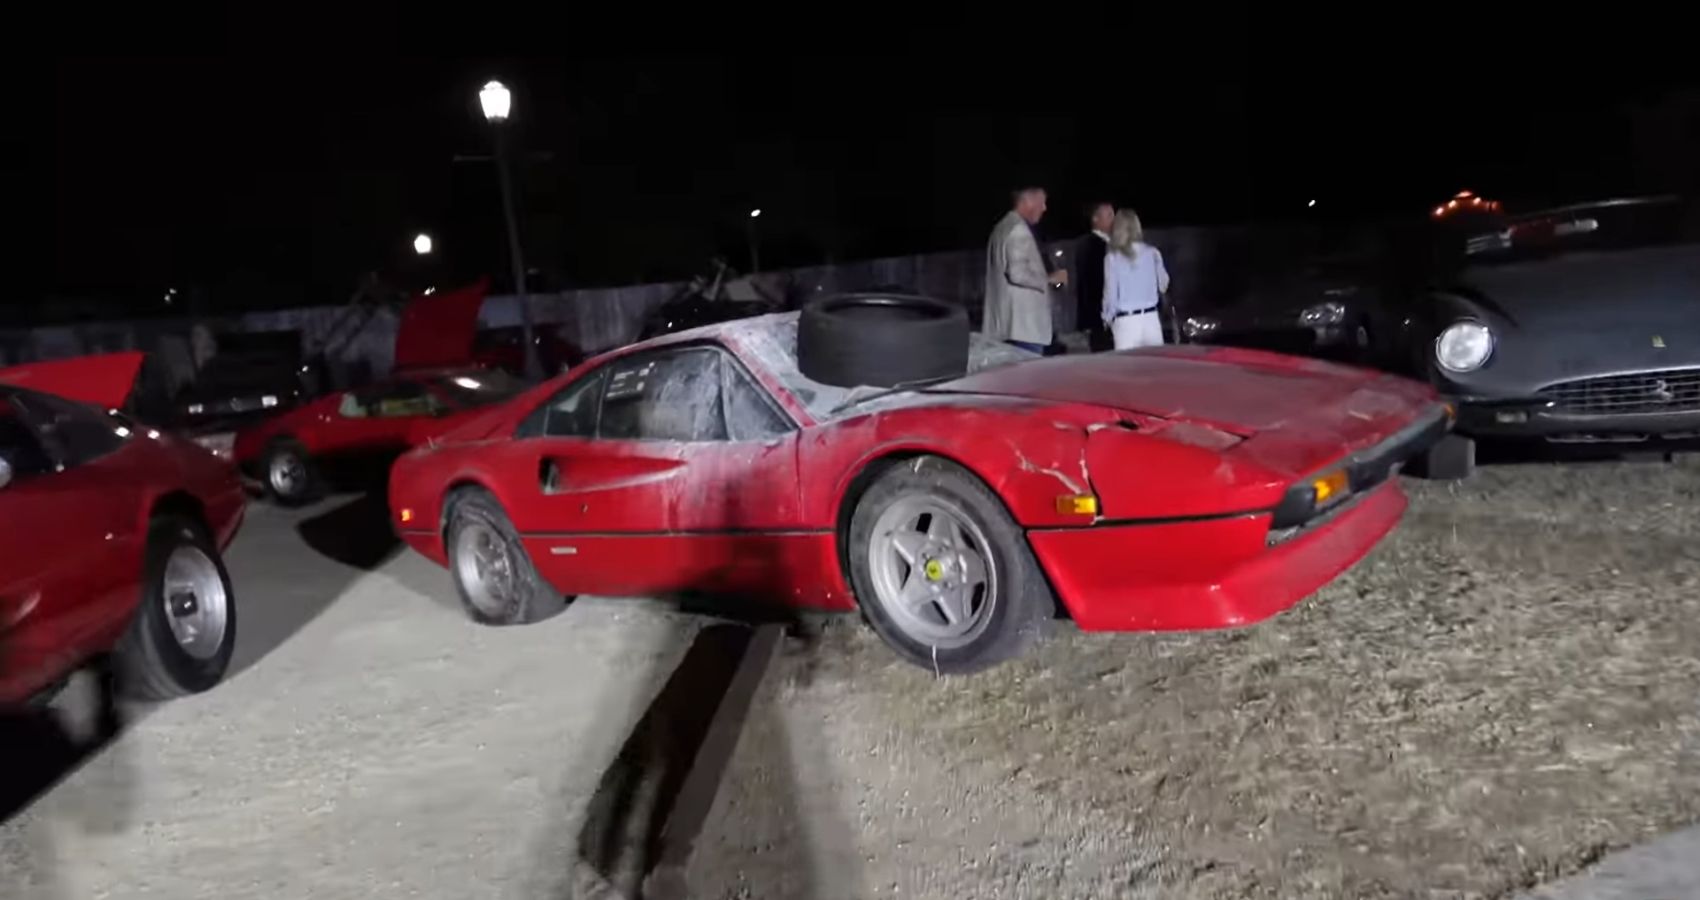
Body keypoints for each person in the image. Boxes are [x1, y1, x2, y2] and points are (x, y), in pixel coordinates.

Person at [984, 186, 1067, 353]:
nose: (1044, 208)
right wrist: (1051, 279)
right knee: (1030, 377)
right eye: (1042, 202)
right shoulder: (1018, 230)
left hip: (1008, 325)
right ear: (1027, 201)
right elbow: (1017, 273)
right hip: (1024, 328)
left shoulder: (1001, 228)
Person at [1102, 209, 1170, 349]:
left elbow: (1111, 294)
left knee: (1126, 368)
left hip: (1126, 321)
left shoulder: (1112, 258)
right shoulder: (1152, 253)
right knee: (1155, 368)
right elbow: (1163, 284)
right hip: (1151, 319)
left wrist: (1107, 317)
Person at [1076, 201, 1115, 351]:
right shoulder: (1092, 245)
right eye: (1109, 215)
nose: (1113, 219)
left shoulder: (1106, 244)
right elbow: (1093, 283)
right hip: (1100, 316)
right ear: (1095, 219)